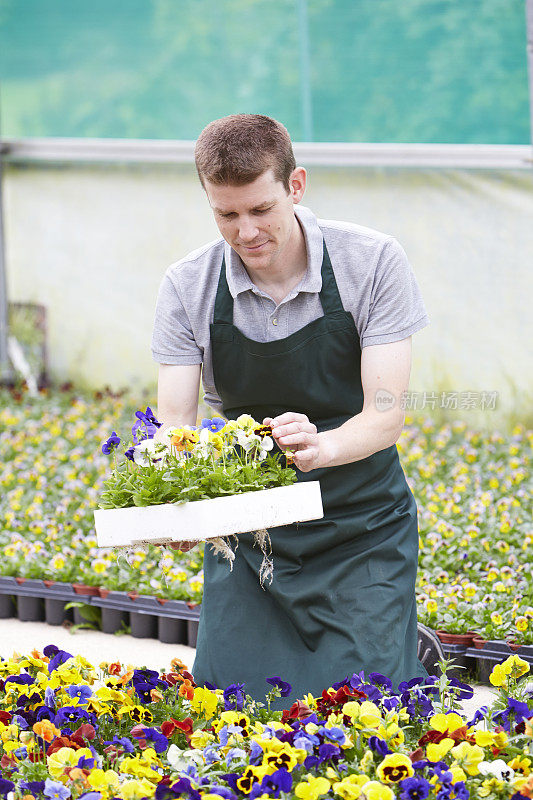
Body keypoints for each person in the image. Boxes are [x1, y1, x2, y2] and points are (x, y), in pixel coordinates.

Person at [151, 113, 434, 704]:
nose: (245, 231)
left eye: (260, 210)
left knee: (367, 706)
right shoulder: (188, 286)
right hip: (254, 536)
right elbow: (174, 425)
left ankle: (403, 642)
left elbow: (385, 415)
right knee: (234, 707)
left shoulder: (372, 262)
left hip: (360, 523)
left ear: (296, 186)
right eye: (226, 215)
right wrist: (173, 502)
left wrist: (324, 446)